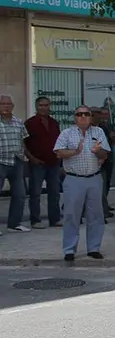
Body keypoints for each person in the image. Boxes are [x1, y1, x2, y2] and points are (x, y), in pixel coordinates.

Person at [54, 105, 109, 261]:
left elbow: (105, 154)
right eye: (79, 114)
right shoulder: (66, 133)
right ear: (75, 117)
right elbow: (58, 152)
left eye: (86, 114)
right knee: (71, 215)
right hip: (74, 179)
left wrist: (97, 151)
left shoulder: (98, 132)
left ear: (91, 116)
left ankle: (94, 248)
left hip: (94, 178)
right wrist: (74, 152)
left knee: (96, 215)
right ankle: (69, 250)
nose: (83, 117)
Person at [25, 96, 61, 229]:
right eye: (41, 105)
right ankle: (35, 220)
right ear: (36, 107)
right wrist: (32, 158)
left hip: (53, 162)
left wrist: (60, 158)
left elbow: (59, 141)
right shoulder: (29, 123)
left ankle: (55, 219)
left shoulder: (54, 123)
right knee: (35, 193)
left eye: (46, 105)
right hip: (37, 163)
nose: (44, 108)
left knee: (55, 192)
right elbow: (24, 144)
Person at [0, 94, 31, 233]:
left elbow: (23, 140)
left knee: (20, 194)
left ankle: (15, 223)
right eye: (3, 104)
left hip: (17, 161)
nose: (6, 106)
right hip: (0, 161)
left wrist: (25, 156)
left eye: (8, 104)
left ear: (12, 106)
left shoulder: (18, 122)